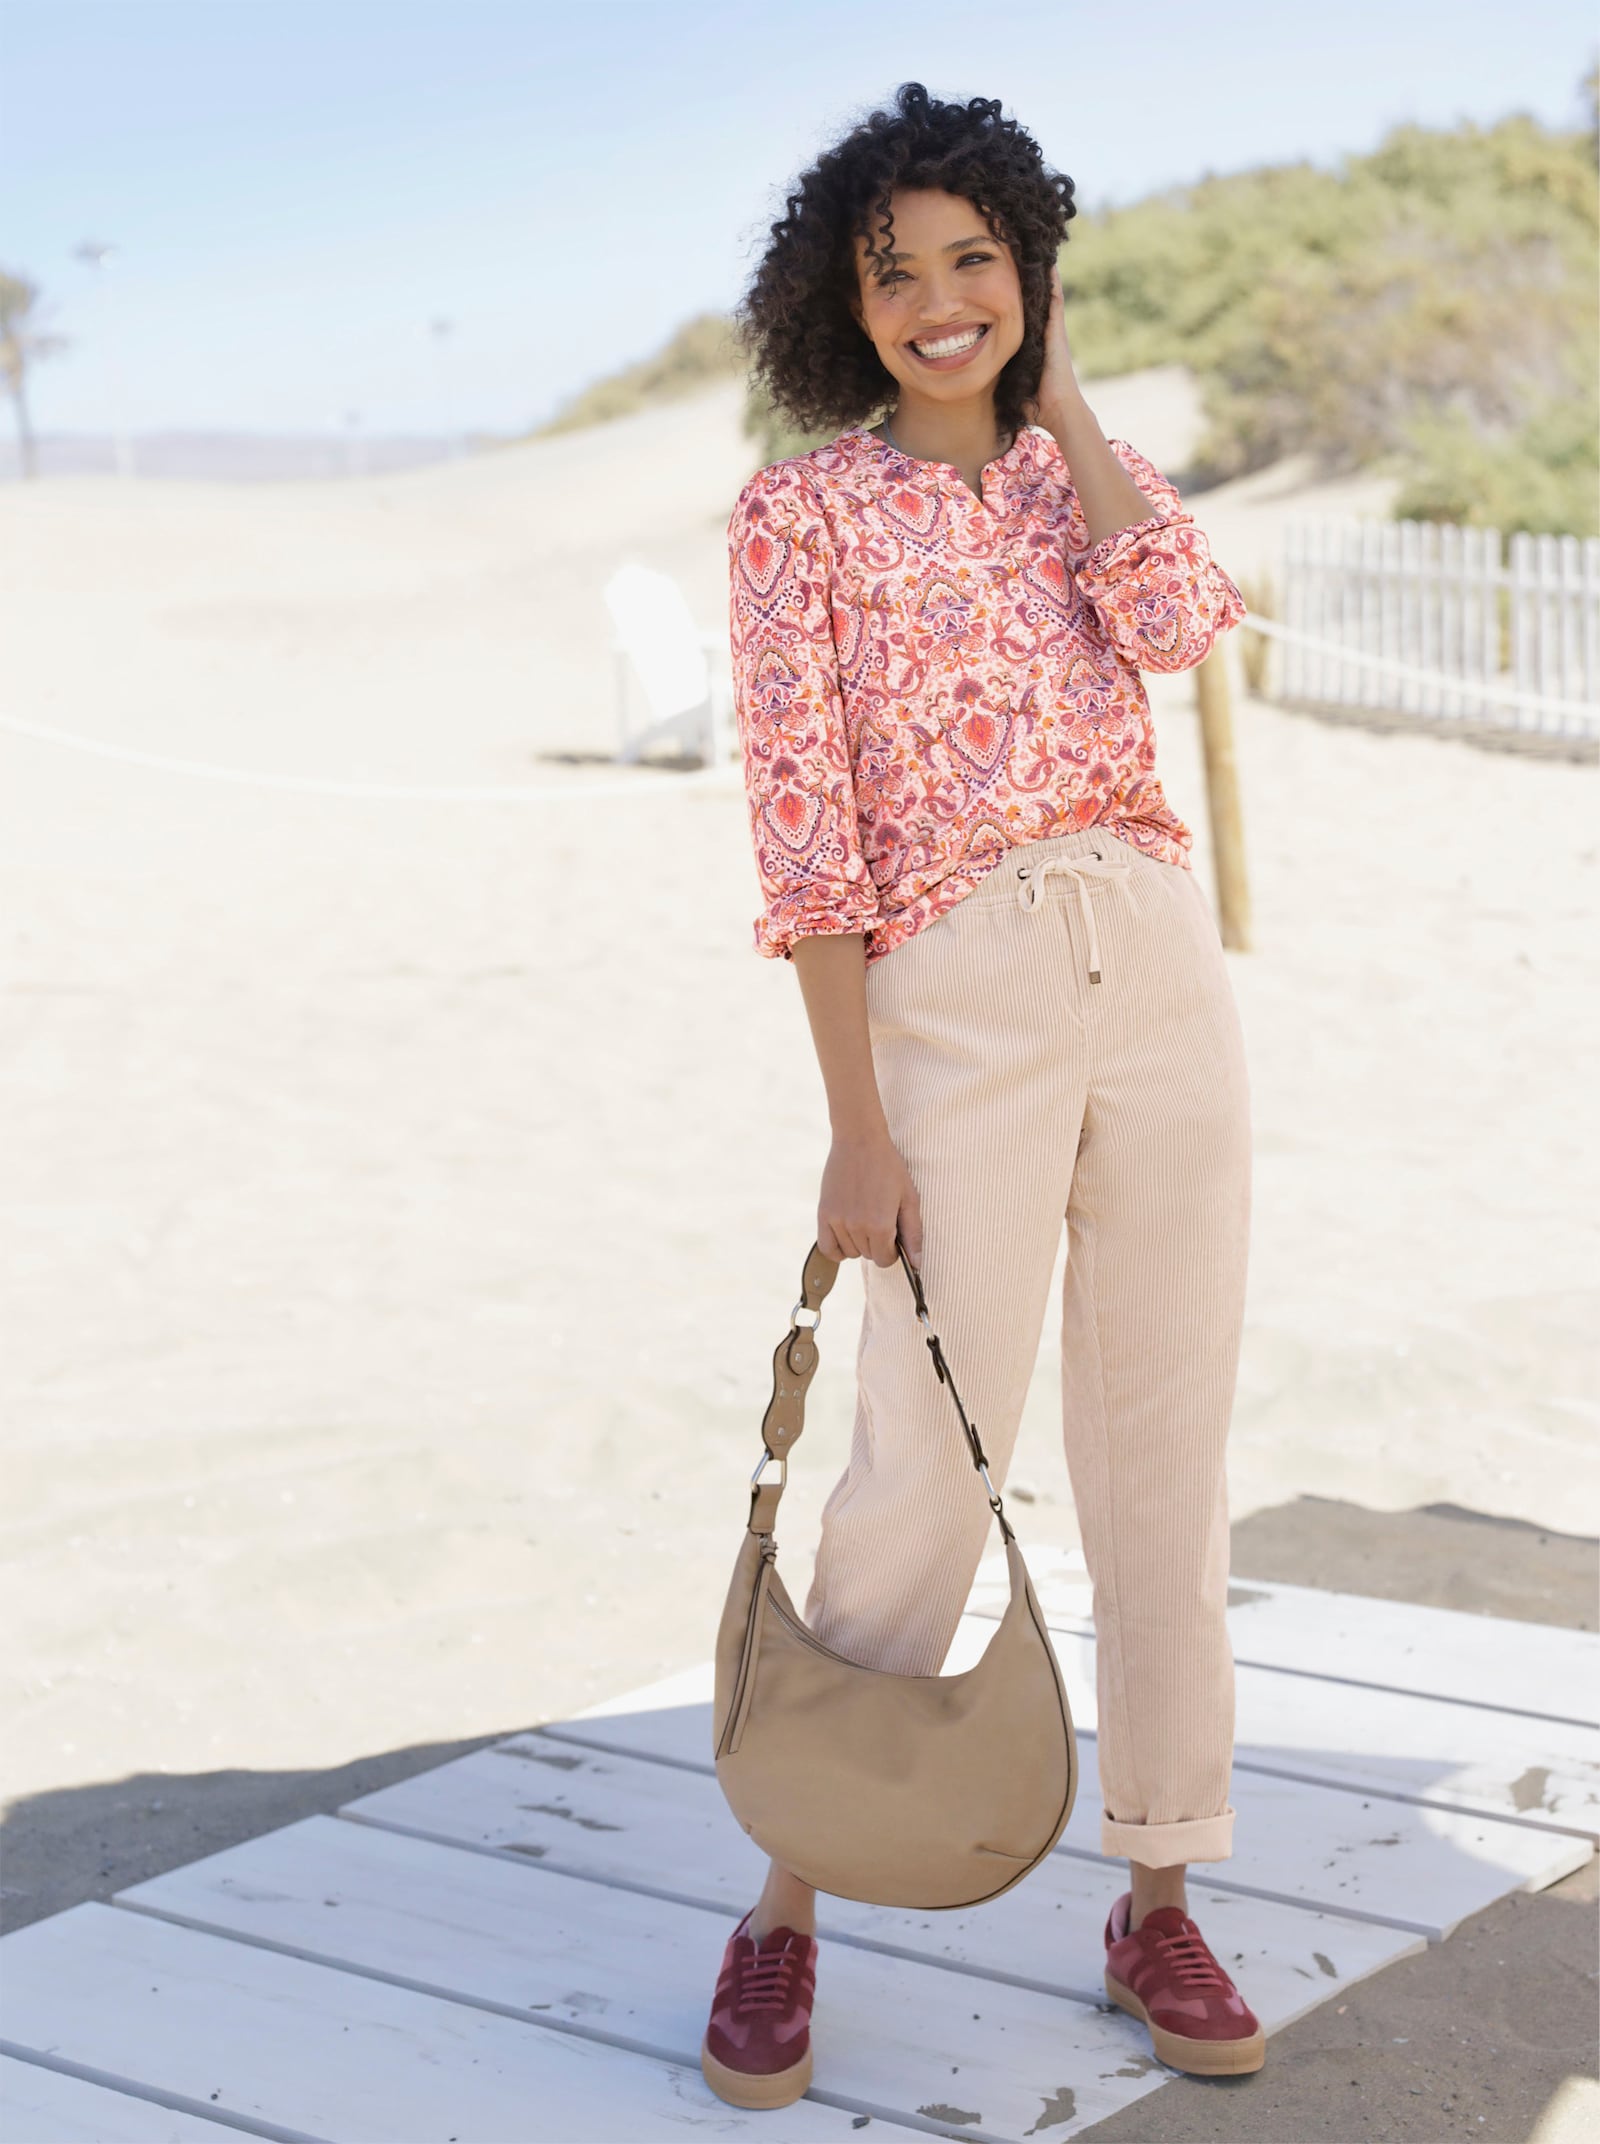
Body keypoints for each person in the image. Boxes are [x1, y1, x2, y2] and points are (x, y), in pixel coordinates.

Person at [701, 81, 1264, 2110]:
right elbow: (807, 848)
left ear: (1026, 271)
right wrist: (853, 1120)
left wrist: (1070, 399)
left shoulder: (1070, 482)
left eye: (976, 262)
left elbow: (1185, 627)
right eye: (896, 273)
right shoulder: (796, 520)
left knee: (1158, 1462)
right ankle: (790, 1887)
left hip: (1154, 976)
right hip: (954, 1002)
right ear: (833, 305)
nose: (941, 304)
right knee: (915, 1471)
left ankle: (1155, 1882)